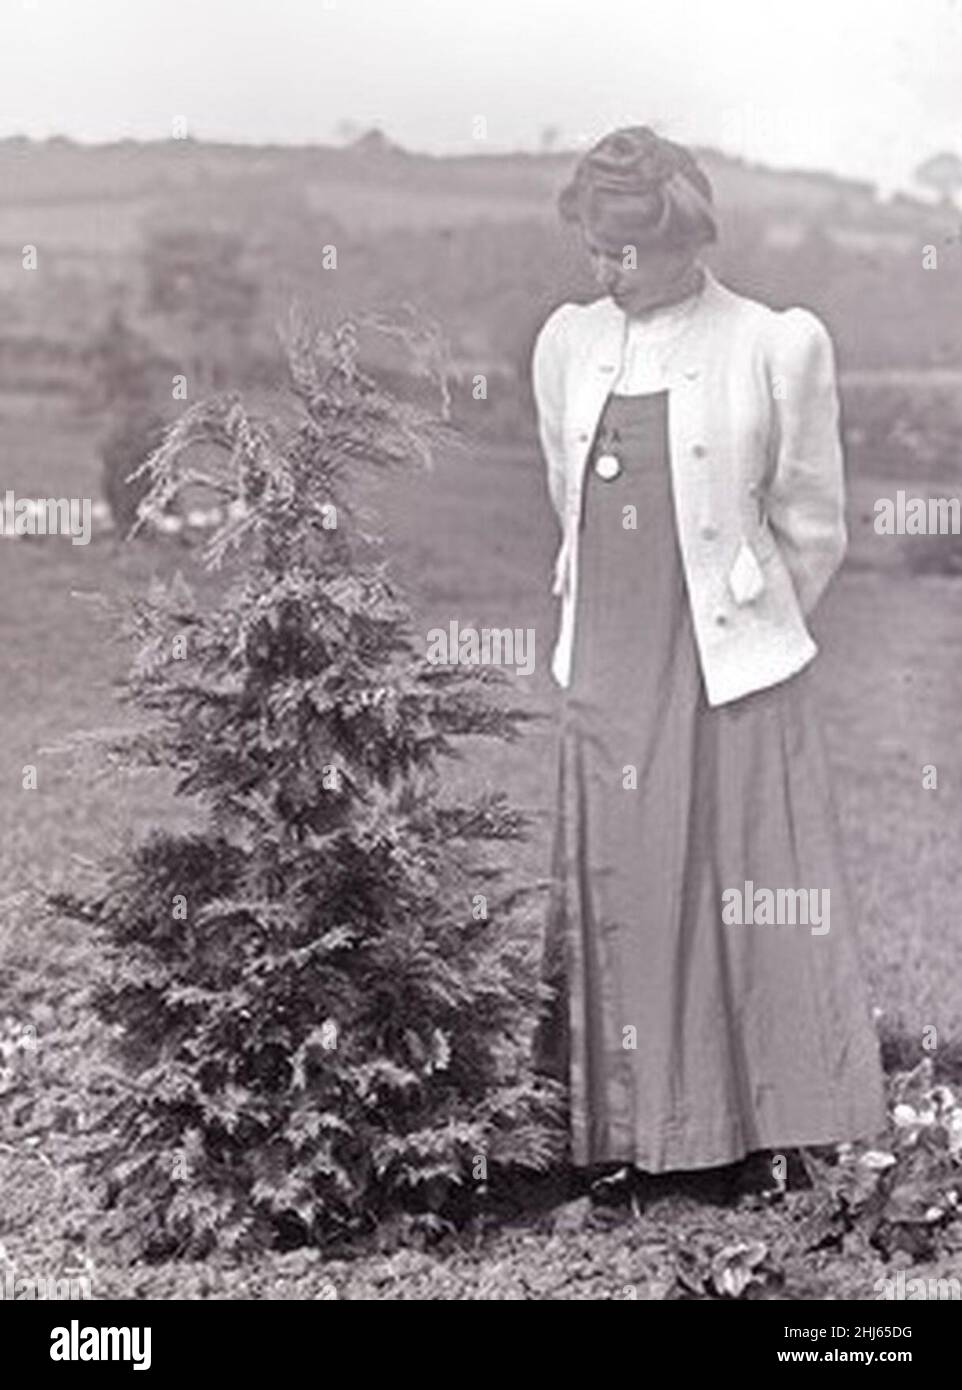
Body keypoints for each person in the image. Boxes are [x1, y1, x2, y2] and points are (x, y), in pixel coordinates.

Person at [531, 126, 886, 1181]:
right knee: (623, 870)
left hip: (723, 657)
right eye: (597, 250)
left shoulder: (771, 344)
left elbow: (811, 521)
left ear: (687, 239)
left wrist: (742, 618)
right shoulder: (566, 342)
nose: (608, 272)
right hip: (606, 649)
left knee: (742, 876)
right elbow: (566, 491)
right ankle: (623, 1135)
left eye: (628, 252)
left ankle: (761, 1132)